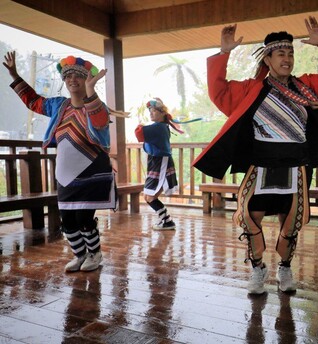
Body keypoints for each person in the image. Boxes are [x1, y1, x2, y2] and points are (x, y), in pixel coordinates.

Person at [193, 16, 318, 294]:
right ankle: (257, 268)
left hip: (297, 165)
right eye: (280, 53)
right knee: (249, 216)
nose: (286, 58)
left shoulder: (306, 86)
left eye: (290, 53)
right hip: (261, 164)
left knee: (291, 221)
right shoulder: (252, 89)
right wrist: (224, 53)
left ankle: (285, 267)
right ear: (267, 59)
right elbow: (219, 92)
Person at [3, 52, 115, 271]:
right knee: (67, 219)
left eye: (78, 76)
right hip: (65, 173)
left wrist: (91, 92)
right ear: (64, 80)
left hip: (92, 169)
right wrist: (15, 75)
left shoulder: (97, 106)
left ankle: (95, 254)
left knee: (84, 217)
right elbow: (34, 101)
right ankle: (80, 255)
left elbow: (100, 122)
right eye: (68, 76)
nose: (72, 80)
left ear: (87, 80)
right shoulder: (58, 106)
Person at [135, 98, 183, 230]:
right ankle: (167, 221)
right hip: (157, 162)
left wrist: (139, 124)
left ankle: (167, 221)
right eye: (150, 110)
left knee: (149, 196)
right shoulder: (162, 127)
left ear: (162, 113)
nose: (151, 113)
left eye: (154, 110)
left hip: (160, 162)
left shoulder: (158, 127)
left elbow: (139, 134)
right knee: (147, 196)